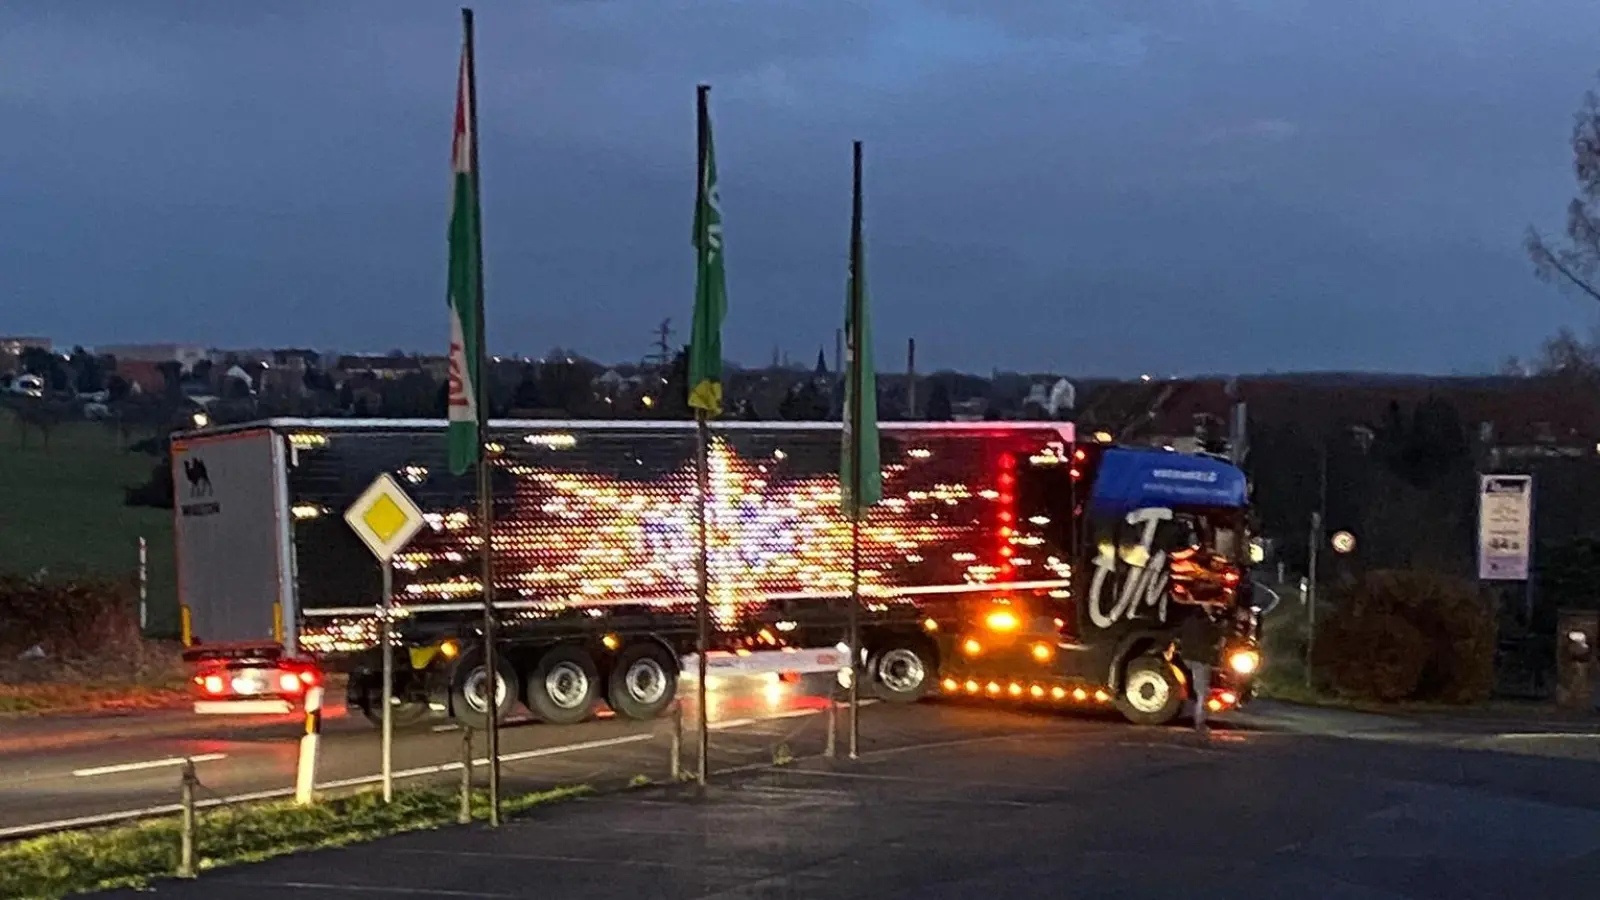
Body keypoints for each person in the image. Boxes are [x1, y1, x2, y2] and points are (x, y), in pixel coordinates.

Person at [1179, 608, 1222, 736]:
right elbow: (1216, 639)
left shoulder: (1188, 621)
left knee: (1198, 690)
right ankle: (1199, 723)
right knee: (1203, 693)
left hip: (1188, 658)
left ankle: (1197, 719)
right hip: (1201, 659)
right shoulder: (1208, 624)